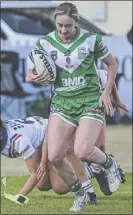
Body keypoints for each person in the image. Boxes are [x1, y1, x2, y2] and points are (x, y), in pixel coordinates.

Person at [26, 2, 122, 212]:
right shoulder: (45, 43)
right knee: (55, 157)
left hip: (89, 100)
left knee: (83, 150)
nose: (63, 30)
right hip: (62, 103)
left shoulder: (91, 40)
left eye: (68, 26)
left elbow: (112, 64)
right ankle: (80, 194)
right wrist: (34, 77)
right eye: (59, 25)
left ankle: (108, 164)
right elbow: (29, 72)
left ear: (76, 22)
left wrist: (106, 92)